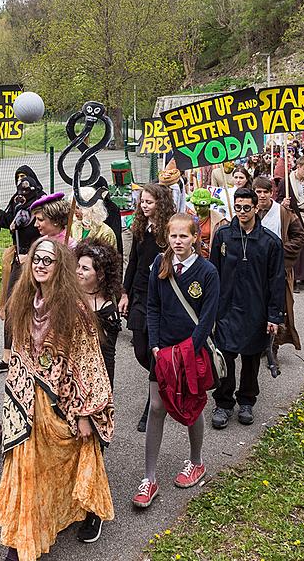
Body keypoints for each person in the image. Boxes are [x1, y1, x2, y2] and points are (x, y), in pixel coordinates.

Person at [0, 237, 114, 559]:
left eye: (49, 260)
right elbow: (19, 352)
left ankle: (88, 510)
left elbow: (88, 362)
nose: (41, 265)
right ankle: (22, 542)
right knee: (27, 468)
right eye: (37, 259)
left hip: (62, 402)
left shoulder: (75, 310)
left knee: (70, 461)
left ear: (60, 268)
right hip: (26, 401)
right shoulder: (22, 302)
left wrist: (86, 413)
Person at [132, 214, 219, 508]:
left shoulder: (207, 272)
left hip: (191, 352)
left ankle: (196, 461)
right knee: (157, 407)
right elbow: (153, 306)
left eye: (184, 236)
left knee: (192, 404)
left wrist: (189, 350)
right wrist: (155, 345)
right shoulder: (160, 264)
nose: (178, 241)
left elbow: (207, 318)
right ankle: (149, 477)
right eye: (173, 236)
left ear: (195, 237)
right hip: (164, 351)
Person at [209, 188, 285, 429]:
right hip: (226, 309)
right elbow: (213, 273)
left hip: (256, 310)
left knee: (251, 359)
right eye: (238, 207)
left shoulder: (270, 242)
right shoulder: (222, 236)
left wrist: (274, 315)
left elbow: (276, 280)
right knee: (225, 357)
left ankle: (247, 400)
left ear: (256, 208)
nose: (241, 212)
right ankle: (223, 403)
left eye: (246, 207)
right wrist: (210, 311)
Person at [121, 184, 174, 431]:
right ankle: (165, 376)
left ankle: (151, 405)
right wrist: (124, 292)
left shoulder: (168, 231)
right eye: (142, 201)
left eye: (149, 201)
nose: (144, 205)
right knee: (141, 350)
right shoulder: (141, 227)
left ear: (160, 203)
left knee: (155, 348)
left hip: (160, 298)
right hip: (140, 294)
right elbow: (133, 260)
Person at [0, 165, 46, 374]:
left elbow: (43, 230)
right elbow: (9, 223)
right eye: (18, 178)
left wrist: (30, 253)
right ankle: (7, 355)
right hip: (18, 259)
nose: (21, 183)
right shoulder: (17, 200)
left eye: (24, 178)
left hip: (36, 257)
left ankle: (34, 352)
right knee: (12, 303)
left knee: (36, 306)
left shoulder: (42, 201)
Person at [255, 177, 304, 355]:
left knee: (278, 309)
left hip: (277, 270)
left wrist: (279, 252)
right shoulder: (247, 211)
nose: (261, 195)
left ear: (272, 193)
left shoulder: (283, 213)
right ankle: (257, 344)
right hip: (254, 272)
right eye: (258, 192)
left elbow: (300, 237)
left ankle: (273, 347)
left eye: (265, 192)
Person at [74, 238, 123, 387]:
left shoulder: (108, 311)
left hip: (93, 379)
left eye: (85, 268)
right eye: (78, 266)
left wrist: (107, 388)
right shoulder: (69, 298)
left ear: (100, 275)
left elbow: (108, 356)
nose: (78, 271)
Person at [186, 189, 228, 258]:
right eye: (196, 205)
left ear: (208, 205)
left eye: (201, 206)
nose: (198, 208)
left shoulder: (219, 220)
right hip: (191, 257)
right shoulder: (189, 217)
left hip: (211, 257)